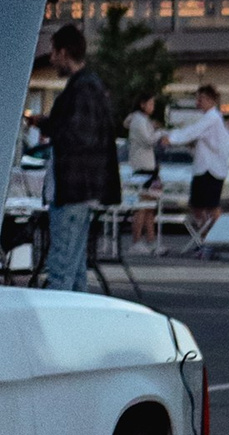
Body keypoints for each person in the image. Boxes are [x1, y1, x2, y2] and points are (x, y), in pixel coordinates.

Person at [40, 22, 118, 290]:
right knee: (73, 271)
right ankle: (76, 326)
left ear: (64, 52)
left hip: (71, 190)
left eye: (53, 52)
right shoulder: (90, 86)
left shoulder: (81, 89)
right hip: (81, 191)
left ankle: (55, 329)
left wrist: (51, 127)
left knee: (61, 269)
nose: (51, 58)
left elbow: (77, 136)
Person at [175, 83, 229, 257]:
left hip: (211, 169)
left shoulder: (212, 118)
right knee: (197, 206)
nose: (197, 102)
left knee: (212, 207)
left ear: (210, 100)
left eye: (200, 99)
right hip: (202, 168)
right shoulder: (207, 118)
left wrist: (171, 138)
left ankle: (215, 241)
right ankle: (205, 240)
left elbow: (192, 132)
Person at [124, 93, 163, 241]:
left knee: (149, 206)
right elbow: (148, 140)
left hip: (148, 166)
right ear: (142, 104)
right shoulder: (139, 121)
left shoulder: (143, 120)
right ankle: (136, 240)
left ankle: (151, 240)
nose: (153, 107)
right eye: (151, 104)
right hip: (142, 167)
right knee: (142, 206)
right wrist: (160, 133)